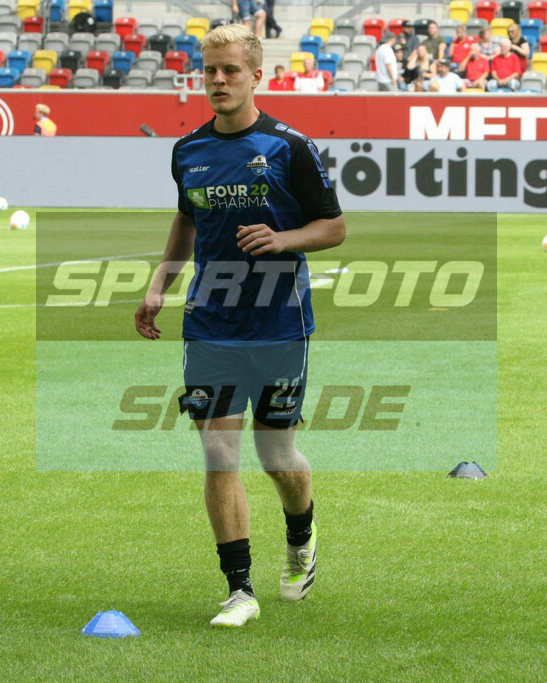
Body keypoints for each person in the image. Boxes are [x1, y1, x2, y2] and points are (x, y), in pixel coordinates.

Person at [135, 24, 345, 628]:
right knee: (219, 450)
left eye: (230, 70)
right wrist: (159, 286)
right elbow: (186, 222)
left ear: (257, 75)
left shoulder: (290, 147)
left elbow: (333, 227)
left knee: (276, 453)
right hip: (211, 323)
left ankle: (301, 536)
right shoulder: (188, 151)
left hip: (281, 323)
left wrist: (284, 239)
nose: (219, 81)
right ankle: (239, 590)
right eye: (210, 71)